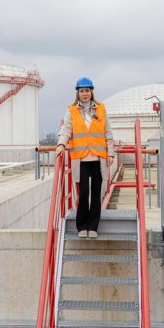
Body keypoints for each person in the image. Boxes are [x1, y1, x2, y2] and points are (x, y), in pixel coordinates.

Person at [55, 77, 114, 239]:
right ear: (78, 93)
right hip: (80, 159)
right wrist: (61, 144)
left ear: (91, 92)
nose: (85, 93)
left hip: (98, 159)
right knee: (84, 192)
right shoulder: (71, 110)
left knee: (96, 193)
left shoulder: (101, 109)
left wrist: (110, 153)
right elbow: (66, 129)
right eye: (82, 91)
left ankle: (93, 227)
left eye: (87, 90)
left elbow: (108, 133)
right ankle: (82, 226)